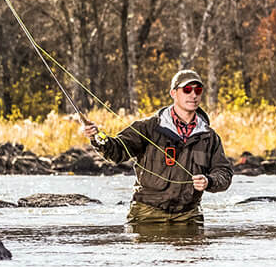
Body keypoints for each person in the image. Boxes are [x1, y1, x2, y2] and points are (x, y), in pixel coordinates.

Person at [80, 69, 233, 225]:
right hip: (147, 214)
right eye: (187, 90)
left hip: (189, 216)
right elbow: (117, 152)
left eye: (198, 90)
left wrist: (209, 181)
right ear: (173, 93)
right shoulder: (147, 127)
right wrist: (96, 136)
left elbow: (224, 173)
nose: (193, 95)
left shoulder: (209, 137)